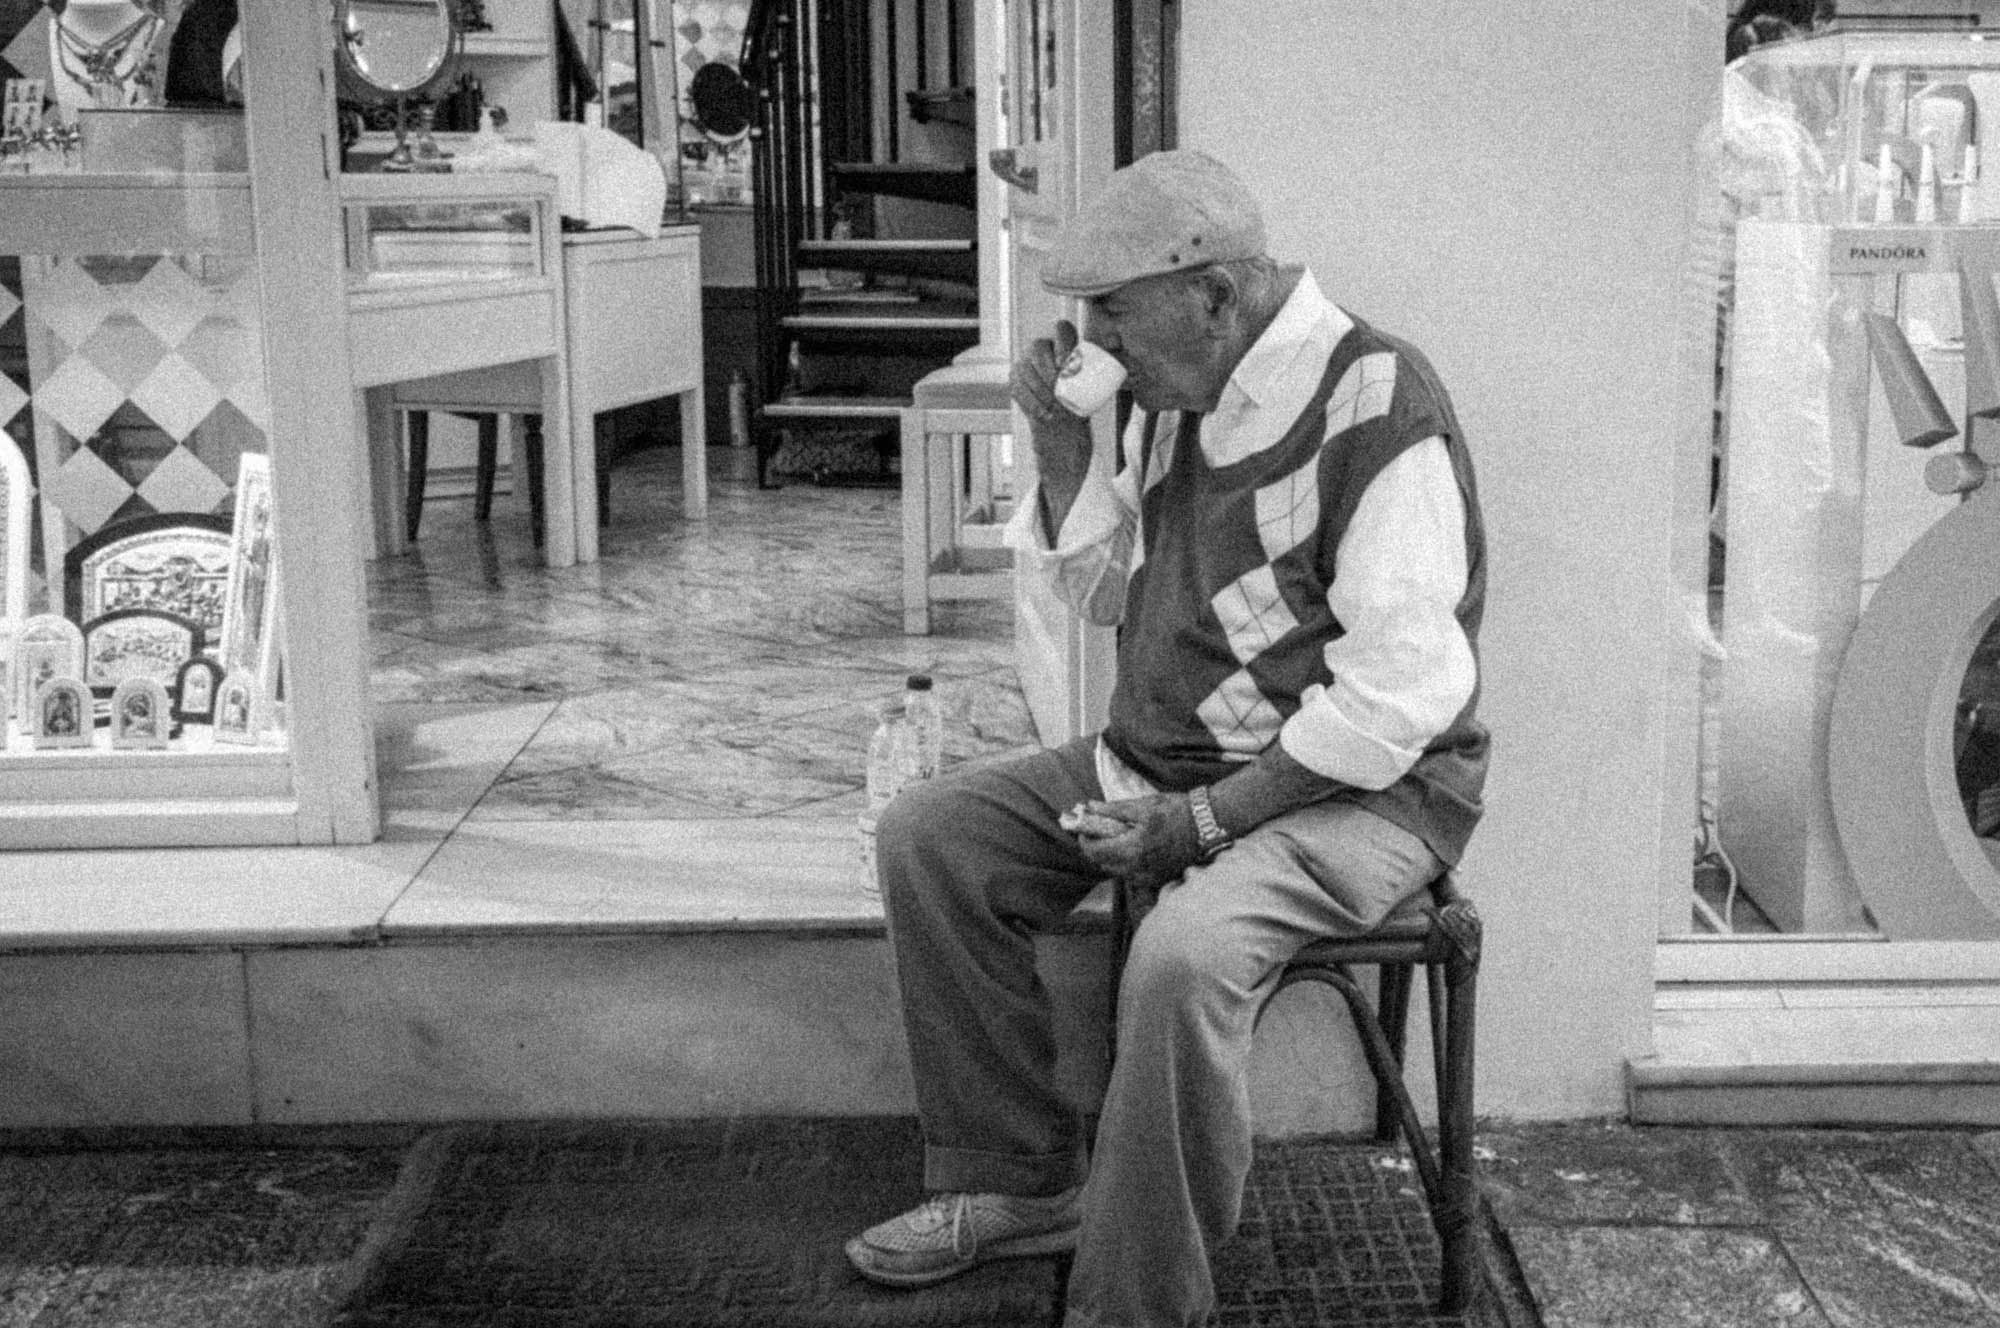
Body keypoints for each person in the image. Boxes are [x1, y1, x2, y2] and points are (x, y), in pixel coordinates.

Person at [843, 148, 1490, 1328]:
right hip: (1162, 756)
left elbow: (1399, 696)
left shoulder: (1377, 404)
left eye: (1111, 316)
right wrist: (1053, 438)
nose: (1096, 346)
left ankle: (1135, 1304)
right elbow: (1100, 596)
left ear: (1214, 292)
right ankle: (1021, 1179)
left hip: (1352, 794)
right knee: (930, 840)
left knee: (1184, 958)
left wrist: (1200, 823)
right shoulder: (1175, 395)